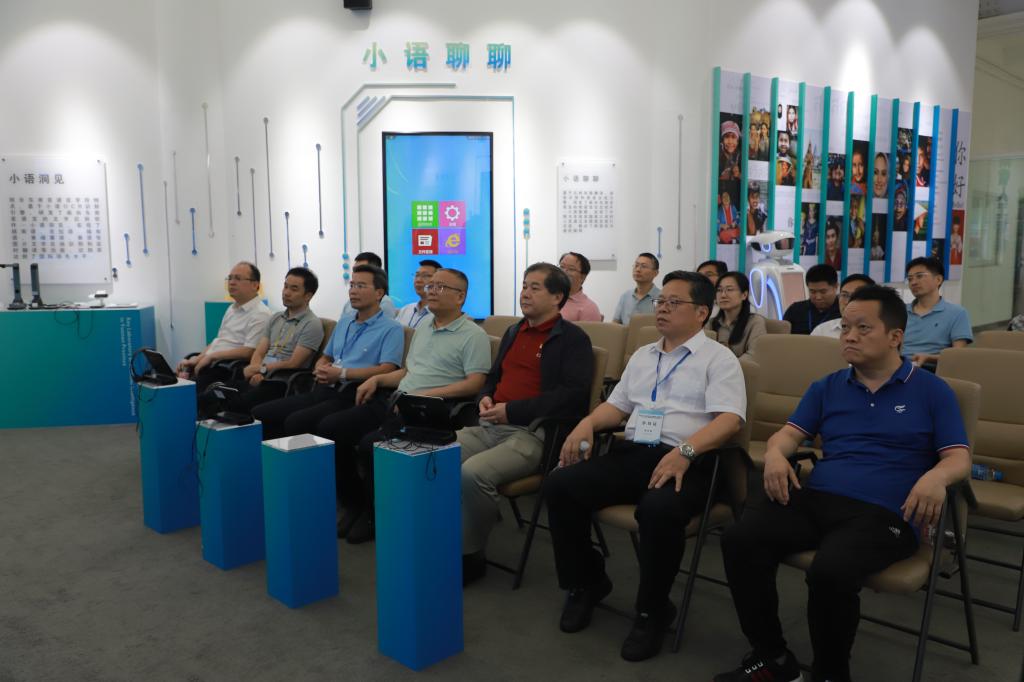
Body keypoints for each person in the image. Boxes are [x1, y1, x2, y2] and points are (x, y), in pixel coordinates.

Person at [714, 285, 970, 682]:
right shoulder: (827, 386)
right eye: (845, 327)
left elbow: (958, 458)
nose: (849, 336)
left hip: (887, 512)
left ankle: (831, 674)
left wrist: (936, 476)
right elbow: (787, 436)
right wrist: (777, 455)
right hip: (821, 498)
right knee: (739, 539)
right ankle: (772, 657)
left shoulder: (932, 390)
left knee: (830, 571)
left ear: (895, 337)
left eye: (863, 328)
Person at [545, 270, 746, 662]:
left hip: (691, 460)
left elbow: (730, 420)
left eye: (674, 302)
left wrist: (686, 451)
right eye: (661, 301)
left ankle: (653, 611)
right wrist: (587, 423)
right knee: (560, 485)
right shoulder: (643, 355)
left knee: (658, 510)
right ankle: (586, 582)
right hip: (636, 453)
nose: (662, 308)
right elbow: (616, 406)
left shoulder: (719, 359)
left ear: (701, 312)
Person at [329, 268, 491, 543]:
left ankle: (374, 516)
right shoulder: (425, 326)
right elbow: (408, 371)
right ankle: (355, 503)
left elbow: (474, 384)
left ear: (460, 297)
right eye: (431, 286)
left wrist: (422, 395)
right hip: (398, 400)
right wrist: (378, 379)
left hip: (429, 411)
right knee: (334, 429)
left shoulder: (473, 334)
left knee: (369, 446)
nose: (432, 291)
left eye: (441, 287)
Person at [460, 263, 594, 585]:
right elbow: (493, 378)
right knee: (432, 457)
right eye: (524, 286)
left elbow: (572, 397)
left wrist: (513, 411)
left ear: (557, 297)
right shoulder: (513, 331)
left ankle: (470, 552)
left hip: (533, 433)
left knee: (472, 474)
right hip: (490, 425)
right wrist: (486, 397)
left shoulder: (572, 339)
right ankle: (448, 534)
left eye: (535, 287)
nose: (525, 293)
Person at [251, 264, 404, 441]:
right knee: (262, 413)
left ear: (379, 293)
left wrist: (342, 373)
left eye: (361, 286)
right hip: (325, 388)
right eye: (352, 285)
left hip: (354, 393)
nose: (353, 291)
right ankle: (274, 458)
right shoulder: (345, 321)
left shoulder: (391, 328)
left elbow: (387, 369)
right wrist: (320, 367)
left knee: (299, 422)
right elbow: (326, 357)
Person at [213, 267, 325, 416]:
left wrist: (263, 370)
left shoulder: (312, 324)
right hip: (260, 375)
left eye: (294, 289)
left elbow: (294, 363)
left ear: (308, 296)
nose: (286, 292)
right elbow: (259, 351)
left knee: (236, 403)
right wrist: (255, 370)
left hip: (281, 382)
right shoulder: (276, 318)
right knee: (217, 393)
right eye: (285, 286)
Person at [177, 261, 271, 394]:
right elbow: (218, 341)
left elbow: (249, 351)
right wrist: (197, 359)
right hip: (212, 363)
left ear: (255, 285)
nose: (231, 282)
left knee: (186, 395)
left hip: (226, 369)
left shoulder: (261, 313)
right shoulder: (232, 308)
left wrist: (212, 357)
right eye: (230, 278)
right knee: (170, 383)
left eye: (238, 278)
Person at [903, 257, 972, 368]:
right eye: (910, 279)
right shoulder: (901, 311)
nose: (913, 282)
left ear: (938, 280)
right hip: (899, 367)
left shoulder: (957, 313)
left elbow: (959, 355)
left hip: (933, 369)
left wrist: (928, 358)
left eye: (919, 276)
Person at [706, 271, 767, 359]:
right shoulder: (710, 323)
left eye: (729, 290)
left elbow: (754, 354)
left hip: (742, 367)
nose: (723, 295)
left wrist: (730, 365)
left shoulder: (755, 322)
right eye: (719, 290)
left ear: (744, 295)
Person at [810, 274, 875, 338]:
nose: (848, 302)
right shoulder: (821, 331)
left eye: (856, 296)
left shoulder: (878, 333)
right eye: (844, 295)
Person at [783, 264, 840, 335]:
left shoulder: (843, 312)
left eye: (823, 292)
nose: (818, 297)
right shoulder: (795, 310)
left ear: (836, 287)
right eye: (813, 292)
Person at [341, 252, 398, 319]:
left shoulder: (385, 303)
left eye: (361, 269)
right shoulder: (350, 303)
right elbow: (342, 324)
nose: (356, 273)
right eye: (355, 270)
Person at [613, 253, 661, 325]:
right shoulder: (625, 296)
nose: (638, 269)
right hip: (627, 332)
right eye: (636, 265)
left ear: (655, 273)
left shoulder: (662, 298)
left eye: (643, 266)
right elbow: (615, 323)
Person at [394, 259, 441, 328]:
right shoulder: (406, 309)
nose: (418, 280)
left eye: (425, 276)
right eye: (417, 275)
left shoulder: (440, 314)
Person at [559, 252, 603, 322]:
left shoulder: (588, 308)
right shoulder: (548, 297)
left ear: (582, 277)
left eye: (571, 269)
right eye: (561, 267)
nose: (563, 272)